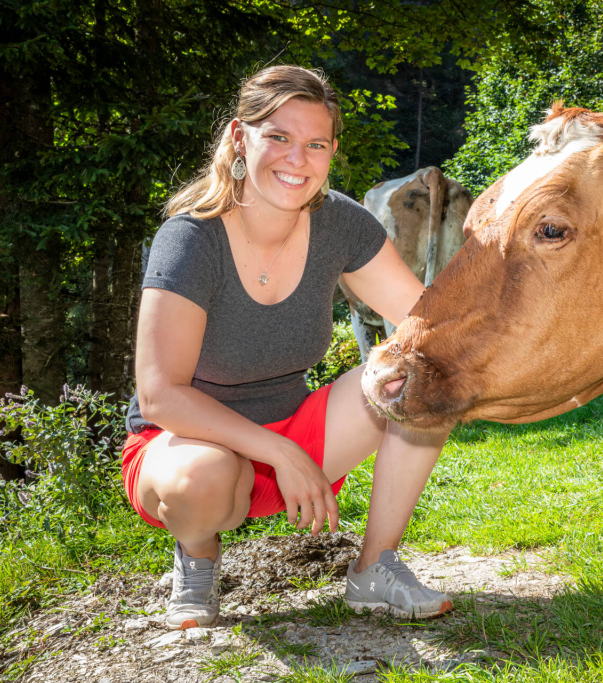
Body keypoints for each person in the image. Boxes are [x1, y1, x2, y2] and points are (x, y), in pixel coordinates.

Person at [121, 65, 452, 629]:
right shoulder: (191, 239)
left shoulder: (341, 224)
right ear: (238, 138)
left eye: (314, 144)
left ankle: (375, 568)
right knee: (201, 478)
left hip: (296, 433)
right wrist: (280, 453)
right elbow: (160, 396)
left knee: (422, 375)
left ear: (331, 151)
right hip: (188, 449)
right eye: (278, 137)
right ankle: (197, 560)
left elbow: (428, 326)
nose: (296, 159)